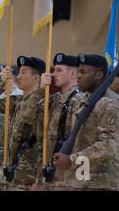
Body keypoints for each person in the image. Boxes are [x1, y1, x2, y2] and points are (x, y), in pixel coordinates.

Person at [53, 54, 119, 191]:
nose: (78, 76)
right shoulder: (85, 101)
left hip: (104, 183)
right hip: (84, 180)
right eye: (78, 72)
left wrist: (71, 160)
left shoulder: (111, 104)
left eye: (83, 72)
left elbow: (108, 146)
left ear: (99, 75)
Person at [0, 56, 46, 191]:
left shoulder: (43, 106)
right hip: (7, 174)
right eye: (19, 72)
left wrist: (39, 180)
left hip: (26, 178)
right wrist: (1, 82)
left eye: (23, 72)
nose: (18, 76)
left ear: (36, 78)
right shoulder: (16, 102)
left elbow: (44, 146)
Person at [35, 53, 84, 191]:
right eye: (54, 69)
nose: (53, 74)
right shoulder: (55, 100)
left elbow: (81, 143)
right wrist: (40, 90)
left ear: (73, 73)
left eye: (59, 70)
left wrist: (76, 181)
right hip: (50, 173)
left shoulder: (79, 101)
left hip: (67, 176)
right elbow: (29, 116)